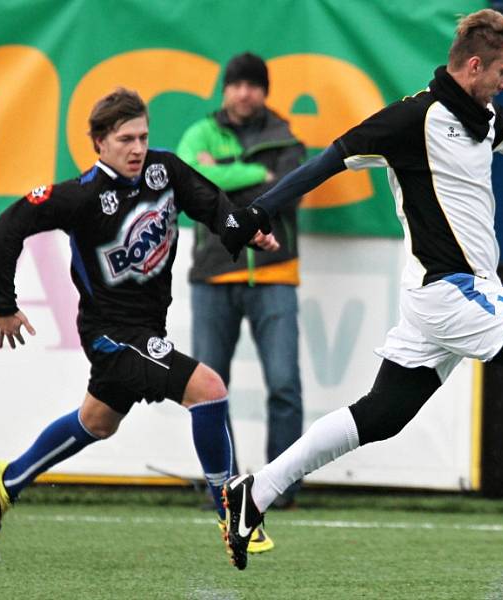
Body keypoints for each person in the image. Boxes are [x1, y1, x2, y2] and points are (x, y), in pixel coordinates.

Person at [218, 8, 503, 570]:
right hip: (452, 291)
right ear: (475, 65)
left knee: (381, 415)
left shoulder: (481, 113)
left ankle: (255, 492)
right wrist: (258, 209)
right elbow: (329, 161)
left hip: (440, 296)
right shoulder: (414, 117)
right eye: (502, 73)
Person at [0, 88, 278, 545]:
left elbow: (211, 204)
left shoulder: (163, 170)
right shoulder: (81, 196)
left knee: (97, 421)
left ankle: (10, 480)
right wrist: (3, 304)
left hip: (145, 328)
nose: (137, 148)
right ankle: (230, 508)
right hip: (111, 336)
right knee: (209, 389)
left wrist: (246, 231)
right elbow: (11, 223)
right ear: (99, 142)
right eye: (125, 139)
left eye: (142, 136)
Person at [177, 53, 306, 530]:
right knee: (208, 390)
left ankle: (284, 488)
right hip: (214, 272)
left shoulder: (287, 137)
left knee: (284, 385)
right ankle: (225, 486)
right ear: (225, 89)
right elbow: (192, 181)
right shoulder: (199, 132)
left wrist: (223, 173)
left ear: (265, 92)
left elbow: (288, 193)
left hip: (275, 274)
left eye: (254, 85)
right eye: (237, 84)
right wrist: (258, 175)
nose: (245, 92)